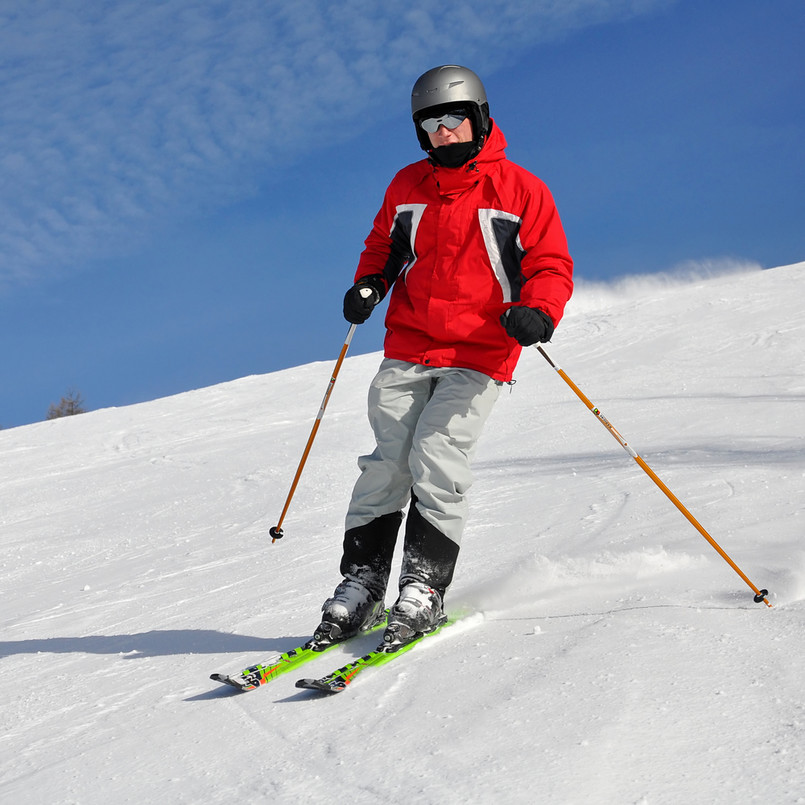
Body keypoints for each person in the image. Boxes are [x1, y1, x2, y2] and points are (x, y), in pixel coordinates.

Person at [314, 64, 573, 649]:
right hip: (410, 343)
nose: (443, 133)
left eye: (455, 119)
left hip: (482, 350)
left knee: (437, 452)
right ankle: (362, 581)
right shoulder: (407, 186)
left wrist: (540, 311)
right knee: (387, 461)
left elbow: (551, 263)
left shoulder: (520, 189)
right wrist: (369, 285)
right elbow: (383, 246)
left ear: (479, 119)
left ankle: (423, 587)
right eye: (431, 125)